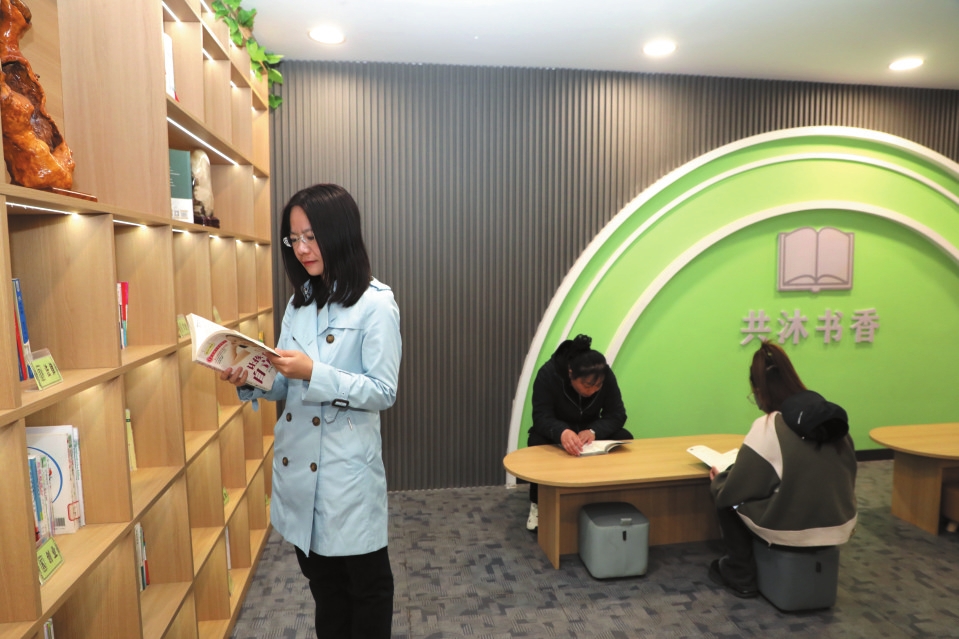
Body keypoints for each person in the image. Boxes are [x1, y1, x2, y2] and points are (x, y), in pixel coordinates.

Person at [220, 184, 401, 638]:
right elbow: (285, 383)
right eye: (294, 238)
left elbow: (383, 391)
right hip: (300, 469)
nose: (301, 249)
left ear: (340, 233)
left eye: (311, 236)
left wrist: (315, 372)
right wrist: (250, 377)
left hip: (345, 475)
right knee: (325, 591)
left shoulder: (376, 303)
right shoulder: (299, 302)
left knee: (367, 590)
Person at [708, 340, 857, 598]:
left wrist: (718, 481)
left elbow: (736, 489)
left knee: (727, 499)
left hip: (792, 529)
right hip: (842, 521)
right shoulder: (830, 419)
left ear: (759, 390)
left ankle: (740, 574)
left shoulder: (769, 425)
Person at [525, 334, 631, 530]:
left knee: (624, 438)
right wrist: (562, 431)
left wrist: (594, 430)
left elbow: (617, 414)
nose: (593, 390)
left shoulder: (603, 374)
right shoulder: (548, 374)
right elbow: (541, 417)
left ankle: (611, 496)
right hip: (557, 429)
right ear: (571, 373)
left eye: (598, 386)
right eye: (587, 385)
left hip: (589, 430)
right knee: (536, 441)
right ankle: (537, 503)